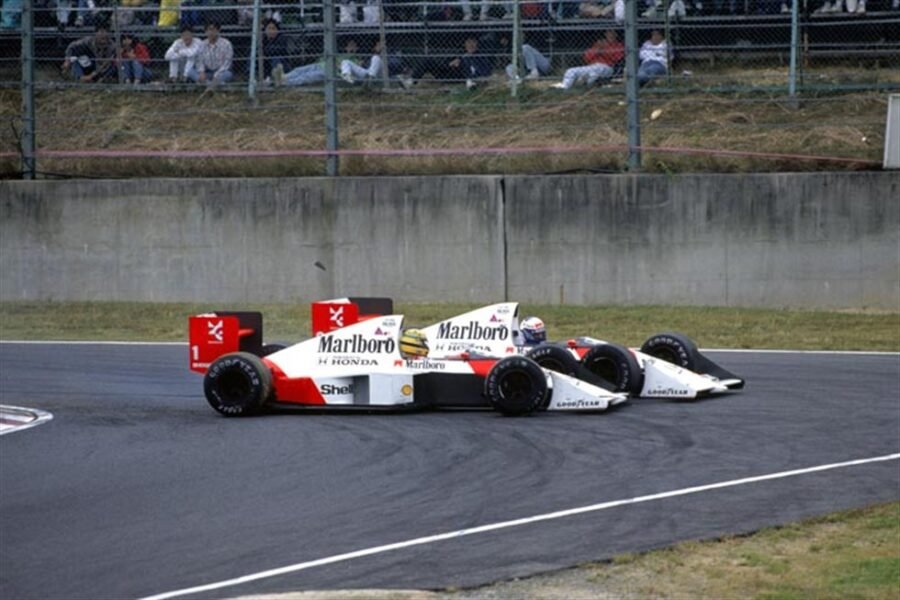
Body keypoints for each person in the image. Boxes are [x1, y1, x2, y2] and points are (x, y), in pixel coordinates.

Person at [409, 36, 493, 89]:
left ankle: (470, 82)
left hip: (463, 76)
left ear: (476, 44)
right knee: (427, 60)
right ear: (465, 44)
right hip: (449, 72)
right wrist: (451, 63)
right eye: (468, 42)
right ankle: (412, 81)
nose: (470, 45)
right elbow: (445, 63)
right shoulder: (460, 53)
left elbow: (485, 71)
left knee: (463, 61)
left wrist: (461, 61)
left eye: (473, 42)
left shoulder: (480, 56)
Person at [552, 29, 623, 89]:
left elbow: (616, 59)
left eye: (613, 33)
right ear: (605, 34)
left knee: (594, 73)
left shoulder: (619, 45)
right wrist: (597, 48)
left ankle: (584, 84)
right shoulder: (599, 44)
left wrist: (605, 49)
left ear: (616, 35)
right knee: (571, 71)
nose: (610, 35)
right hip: (591, 67)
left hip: (607, 67)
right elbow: (586, 57)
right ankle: (565, 87)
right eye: (608, 33)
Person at [278, 39, 361, 87]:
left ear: (357, 48)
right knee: (299, 70)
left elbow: (350, 72)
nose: (351, 47)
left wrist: (338, 65)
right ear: (346, 48)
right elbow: (324, 58)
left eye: (353, 46)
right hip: (322, 64)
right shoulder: (339, 55)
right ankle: (282, 77)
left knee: (307, 76)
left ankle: (286, 83)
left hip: (330, 72)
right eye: (349, 45)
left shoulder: (356, 59)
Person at [340, 39, 406, 84]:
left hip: (382, 74)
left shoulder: (390, 53)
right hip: (368, 74)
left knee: (376, 58)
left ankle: (370, 81)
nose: (380, 46)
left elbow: (396, 63)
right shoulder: (370, 54)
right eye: (378, 44)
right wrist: (362, 64)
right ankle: (348, 78)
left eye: (381, 44)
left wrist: (384, 59)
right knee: (345, 61)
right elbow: (365, 65)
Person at [189, 21, 233, 86]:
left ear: (218, 30)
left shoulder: (226, 44)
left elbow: (227, 62)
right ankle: (214, 85)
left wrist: (217, 75)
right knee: (190, 72)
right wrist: (201, 72)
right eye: (208, 30)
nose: (210, 32)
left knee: (228, 74)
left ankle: (206, 84)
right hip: (208, 72)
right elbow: (199, 60)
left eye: (213, 30)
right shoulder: (202, 44)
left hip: (221, 72)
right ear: (205, 32)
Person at [261, 18, 288, 83]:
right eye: (269, 28)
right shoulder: (262, 38)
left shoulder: (281, 38)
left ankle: (278, 78)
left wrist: (265, 48)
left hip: (282, 65)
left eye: (273, 28)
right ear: (265, 30)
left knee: (275, 58)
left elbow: (276, 51)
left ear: (277, 30)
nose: (271, 31)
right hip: (267, 65)